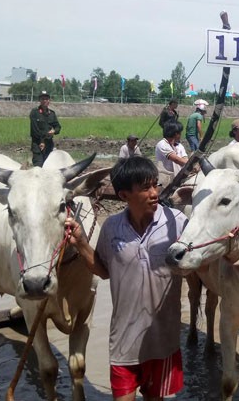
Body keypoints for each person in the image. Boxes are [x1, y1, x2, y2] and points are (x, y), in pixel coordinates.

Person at [64, 156, 187, 400]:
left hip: (162, 341)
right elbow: (102, 270)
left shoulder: (177, 222)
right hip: (123, 342)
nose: (154, 193)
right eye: (145, 188)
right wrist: (80, 243)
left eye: (155, 185)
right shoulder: (111, 227)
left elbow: (198, 264)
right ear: (123, 196)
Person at [29, 91, 61, 167]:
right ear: (40, 100)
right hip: (38, 144)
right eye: (43, 99)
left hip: (49, 144)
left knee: (48, 166)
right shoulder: (34, 113)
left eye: (46, 99)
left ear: (49, 101)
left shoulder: (52, 114)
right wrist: (42, 141)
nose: (45, 101)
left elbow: (58, 126)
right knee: (38, 166)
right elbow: (34, 131)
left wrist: (54, 131)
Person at [155, 121, 188, 188]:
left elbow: (185, 158)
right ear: (176, 134)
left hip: (178, 178)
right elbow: (176, 159)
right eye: (180, 133)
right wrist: (192, 165)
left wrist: (189, 163)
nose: (181, 135)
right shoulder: (162, 144)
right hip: (164, 179)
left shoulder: (179, 146)